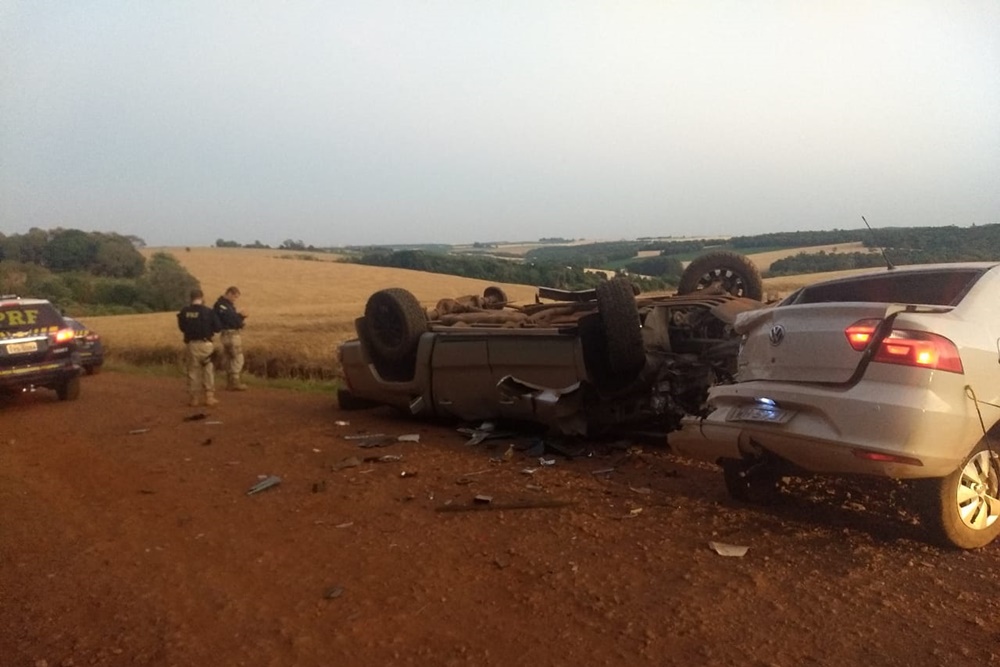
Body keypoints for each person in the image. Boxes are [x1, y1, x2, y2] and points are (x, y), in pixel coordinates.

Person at [177, 288, 222, 407]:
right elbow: (218, 328)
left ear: (190, 298)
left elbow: (182, 328)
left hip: (191, 345)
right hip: (206, 345)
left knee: (193, 370)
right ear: (202, 298)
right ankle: (209, 397)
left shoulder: (184, 311)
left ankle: (194, 399)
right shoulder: (208, 311)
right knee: (208, 370)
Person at [214, 286, 249, 391]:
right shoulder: (222, 306)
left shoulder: (224, 305)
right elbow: (231, 320)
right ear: (229, 293)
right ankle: (234, 382)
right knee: (237, 357)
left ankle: (230, 382)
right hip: (231, 334)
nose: (235, 299)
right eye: (235, 296)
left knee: (229, 357)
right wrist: (241, 317)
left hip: (226, 334)